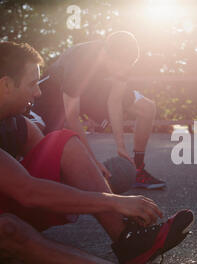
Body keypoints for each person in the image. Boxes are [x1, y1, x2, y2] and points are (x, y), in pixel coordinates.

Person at [0, 41, 194, 264]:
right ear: (5, 85)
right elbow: (28, 191)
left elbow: (53, 163)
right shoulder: (82, 61)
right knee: (8, 229)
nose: (38, 93)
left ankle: (128, 240)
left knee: (63, 141)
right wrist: (113, 201)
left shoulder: (17, 122)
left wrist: (95, 173)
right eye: (32, 84)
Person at [33, 31, 166, 190]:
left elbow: (115, 101)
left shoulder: (121, 58)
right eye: (122, 67)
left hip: (91, 90)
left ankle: (137, 169)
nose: (124, 72)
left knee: (147, 108)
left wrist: (121, 146)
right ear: (106, 56)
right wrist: (92, 162)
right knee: (40, 140)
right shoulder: (80, 63)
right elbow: (72, 117)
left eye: (129, 66)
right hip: (53, 95)